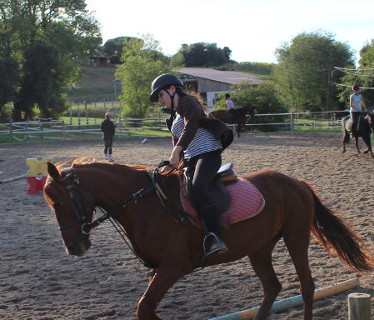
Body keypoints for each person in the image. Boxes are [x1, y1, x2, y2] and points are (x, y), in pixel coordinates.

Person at [150, 73, 233, 256]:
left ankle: (216, 236)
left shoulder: (188, 102)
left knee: (198, 188)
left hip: (208, 154)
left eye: (160, 95)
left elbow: (191, 126)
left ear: (172, 89)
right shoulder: (174, 116)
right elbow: (177, 143)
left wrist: (176, 152)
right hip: (190, 159)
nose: (160, 100)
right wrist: (172, 164)